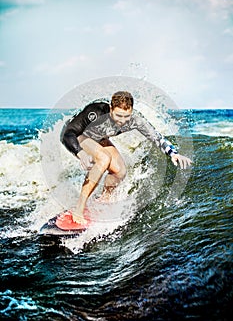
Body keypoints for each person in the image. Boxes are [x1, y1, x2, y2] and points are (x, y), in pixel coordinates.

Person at [61, 91, 192, 225]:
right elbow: (68, 133)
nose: (122, 121)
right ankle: (79, 209)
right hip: (76, 136)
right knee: (103, 158)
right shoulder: (96, 112)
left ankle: (102, 201)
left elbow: (157, 138)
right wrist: (80, 152)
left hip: (99, 139)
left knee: (120, 171)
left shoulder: (136, 120)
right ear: (111, 109)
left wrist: (173, 153)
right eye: (118, 115)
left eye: (126, 116)